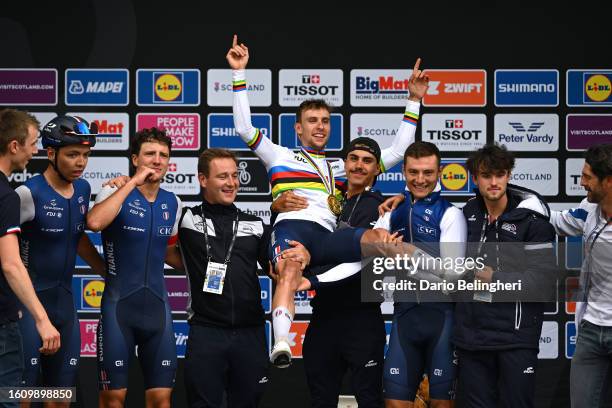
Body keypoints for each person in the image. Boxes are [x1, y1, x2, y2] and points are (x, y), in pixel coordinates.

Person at [227, 34, 429, 366]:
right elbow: (244, 126)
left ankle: (448, 271)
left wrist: (413, 100)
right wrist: (238, 73)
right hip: (293, 228)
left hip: (327, 238)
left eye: (325, 121)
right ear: (298, 128)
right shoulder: (278, 154)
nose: (320, 127)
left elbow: (396, 152)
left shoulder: (343, 166)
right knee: (289, 270)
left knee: (380, 239)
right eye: (312, 121)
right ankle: (280, 343)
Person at [272, 137, 387, 407]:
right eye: (354, 159)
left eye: (367, 161)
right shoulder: (327, 202)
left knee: (369, 399)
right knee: (320, 399)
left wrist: (312, 266)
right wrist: (275, 211)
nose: (359, 166)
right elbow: (291, 231)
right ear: (343, 164)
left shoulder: (380, 207)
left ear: (378, 169)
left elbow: (355, 260)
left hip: (362, 318)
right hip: (323, 317)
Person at [453, 144, 557, 408]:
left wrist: (494, 278)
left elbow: (542, 283)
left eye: (499, 174)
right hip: (473, 339)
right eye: (486, 175)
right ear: (475, 179)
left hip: (515, 339)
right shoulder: (463, 216)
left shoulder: (533, 222)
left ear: (509, 175)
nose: (494, 182)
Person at [87, 128, 182, 408]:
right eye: (149, 153)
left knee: (161, 400)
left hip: (158, 311)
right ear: (134, 159)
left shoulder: (173, 202)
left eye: (163, 155)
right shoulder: (114, 190)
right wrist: (131, 184)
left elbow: (170, 254)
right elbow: (94, 223)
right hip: (119, 311)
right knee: (113, 399)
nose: (157, 160)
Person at [15, 115, 105, 405]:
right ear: (51, 153)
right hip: (27, 308)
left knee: (60, 399)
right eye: (72, 154)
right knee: (22, 398)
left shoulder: (83, 190)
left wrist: (105, 270)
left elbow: (77, 236)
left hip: (65, 307)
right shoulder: (28, 193)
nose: (81, 162)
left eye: (86, 155)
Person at [177, 148, 275, 408]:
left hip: (250, 333)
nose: (231, 183)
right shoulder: (186, 218)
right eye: (222, 177)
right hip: (206, 332)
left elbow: (277, 269)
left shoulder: (255, 224)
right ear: (202, 180)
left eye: (234, 176)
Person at [376, 142, 467, 408]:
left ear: (439, 172)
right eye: (413, 172)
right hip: (404, 316)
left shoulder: (450, 214)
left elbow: (453, 277)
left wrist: (408, 255)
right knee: (394, 403)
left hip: (441, 318)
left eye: (427, 172)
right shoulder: (391, 211)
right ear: (403, 171)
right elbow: (371, 257)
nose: (420, 179)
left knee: (441, 405)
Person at [0, 109, 60, 403]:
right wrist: (41, 318)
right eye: (33, 143)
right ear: (14, 146)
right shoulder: (5, 196)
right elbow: (11, 264)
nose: (35, 151)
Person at [547, 143, 612, 408]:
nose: (581, 182)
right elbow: (558, 221)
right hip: (590, 329)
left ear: (608, 181)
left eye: (587, 177)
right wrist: (518, 201)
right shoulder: (589, 209)